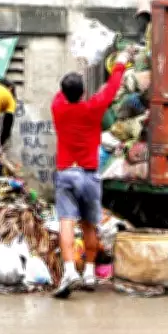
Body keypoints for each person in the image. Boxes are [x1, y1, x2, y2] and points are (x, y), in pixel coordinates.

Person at [51, 46, 138, 299]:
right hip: (89, 176)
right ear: (84, 93)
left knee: (66, 223)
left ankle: (69, 271)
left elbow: (62, 93)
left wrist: (77, 68)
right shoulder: (94, 108)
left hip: (67, 173)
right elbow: (112, 88)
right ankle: (89, 272)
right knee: (90, 226)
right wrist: (121, 61)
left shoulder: (58, 108)